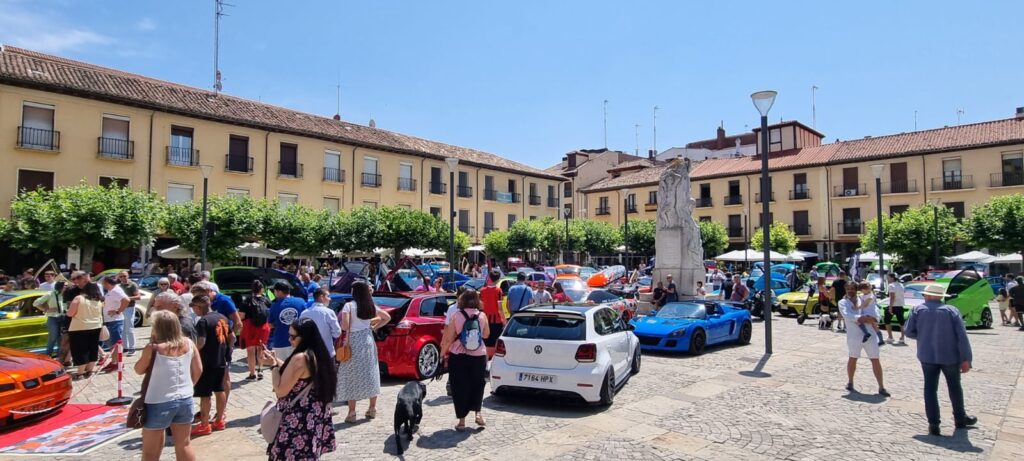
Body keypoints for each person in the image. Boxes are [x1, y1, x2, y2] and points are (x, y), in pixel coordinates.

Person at [904, 284, 977, 436]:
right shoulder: (951, 311)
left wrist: (923, 336)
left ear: (927, 295)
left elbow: (909, 332)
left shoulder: (918, 310)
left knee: (930, 389)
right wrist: (966, 359)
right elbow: (962, 337)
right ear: (941, 297)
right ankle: (960, 419)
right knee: (955, 387)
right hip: (950, 356)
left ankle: (934, 424)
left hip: (927, 355)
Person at [259, 318, 337, 460]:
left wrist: (273, 367)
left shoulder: (300, 358)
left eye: (293, 337)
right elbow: (296, 373)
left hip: (297, 419)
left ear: (305, 337)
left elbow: (280, 390)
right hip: (312, 415)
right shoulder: (317, 354)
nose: (289, 340)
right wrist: (275, 360)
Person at [136, 310, 202, 461]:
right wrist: (189, 386)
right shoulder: (189, 343)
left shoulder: (153, 348)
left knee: (150, 451)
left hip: (158, 401)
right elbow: (198, 369)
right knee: (184, 443)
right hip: (185, 398)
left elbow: (139, 369)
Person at [336, 281, 390, 423]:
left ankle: (352, 412)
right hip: (367, 339)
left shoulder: (349, 306)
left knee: (351, 374)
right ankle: (372, 408)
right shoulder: (370, 305)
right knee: (371, 371)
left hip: (353, 341)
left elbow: (345, 325)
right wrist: (373, 326)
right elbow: (387, 317)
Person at [440, 288, 490, 431]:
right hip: (479, 355)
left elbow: (449, 338)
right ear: (476, 300)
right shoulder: (482, 315)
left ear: (461, 299)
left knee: (460, 386)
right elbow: (486, 335)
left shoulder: (456, 315)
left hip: (459, 356)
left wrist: (442, 353)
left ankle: (462, 421)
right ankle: (478, 414)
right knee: (478, 384)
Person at [189, 295, 231, 437]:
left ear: (199, 307)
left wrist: (191, 352)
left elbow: (201, 342)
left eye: (193, 307)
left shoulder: (203, 321)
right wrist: (227, 353)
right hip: (221, 360)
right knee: (220, 390)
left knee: (205, 394)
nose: (193, 311)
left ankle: (204, 424)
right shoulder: (222, 317)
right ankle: (219, 420)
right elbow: (232, 337)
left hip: (207, 361)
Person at [839, 282, 889, 397]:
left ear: (856, 289)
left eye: (852, 289)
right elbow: (848, 315)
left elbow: (876, 313)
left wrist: (872, 318)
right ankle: (850, 381)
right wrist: (864, 318)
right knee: (853, 358)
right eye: (848, 289)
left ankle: (881, 386)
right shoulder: (843, 302)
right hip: (854, 336)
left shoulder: (865, 299)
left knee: (875, 359)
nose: (850, 291)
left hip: (870, 335)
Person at [67, 281, 104, 379]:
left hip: (79, 327)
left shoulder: (79, 298)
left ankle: (80, 373)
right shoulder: (99, 301)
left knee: (80, 350)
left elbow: (70, 313)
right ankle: (90, 370)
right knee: (93, 348)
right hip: (95, 326)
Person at [239, 280, 272, 380]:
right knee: (261, 349)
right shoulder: (266, 300)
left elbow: (242, 316)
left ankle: (252, 373)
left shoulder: (246, 300)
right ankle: (260, 370)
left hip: (250, 327)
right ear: (261, 289)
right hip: (263, 327)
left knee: (251, 351)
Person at [299, 288, 341, 361]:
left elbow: (300, 333)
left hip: (309, 353)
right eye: (328, 296)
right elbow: (337, 333)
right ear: (321, 297)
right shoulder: (329, 312)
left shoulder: (304, 313)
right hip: (326, 352)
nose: (330, 299)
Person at [268, 282, 306, 359]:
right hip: (299, 341)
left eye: (274, 291)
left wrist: (277, 324)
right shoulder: (301, 302)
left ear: (279, 292)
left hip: (281, 341)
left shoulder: (275, 306)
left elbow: (270, 324)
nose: (274, 293)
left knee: (281, 368)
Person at [33, 280, 66, 357]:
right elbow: (35, 303)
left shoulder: (66, 295)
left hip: (63, 317)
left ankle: (59, 357)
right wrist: (46, 309)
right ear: (60, 287)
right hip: (53, 317)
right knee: (53, 337)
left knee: (61, 339)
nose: (66, 288)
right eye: (65, 286)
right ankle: (48, 355)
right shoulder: (51, 294)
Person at [100, 275, 129, 364]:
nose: (102, 284)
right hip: (109, 320)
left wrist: (118, 311)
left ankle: (117, 363)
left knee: (116, 343)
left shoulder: (116, 291)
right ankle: (114, 361)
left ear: (107, 283)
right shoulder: (111, 290)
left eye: (103, 282)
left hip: (115, 321)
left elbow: (126, 300)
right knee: (112, 343)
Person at [117, 271, 142, 355]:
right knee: (122, 328)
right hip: (121, 308)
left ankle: (132, 347)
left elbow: (138, 297)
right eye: (121, 276)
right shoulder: (118, 286)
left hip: (129, 307)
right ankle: (125, 347)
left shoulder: (132, 284)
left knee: (129, 328)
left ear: (128, 276)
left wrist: (127, 298)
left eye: (124, 276)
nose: (123, 278)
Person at [479, 271, 505, 347]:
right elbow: (500, 308)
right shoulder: (498, 291)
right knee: (495, 343)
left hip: (485, 319)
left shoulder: (482, 290)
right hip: (496, 320)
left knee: (485, 342)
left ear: (489, 278)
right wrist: (504, 321)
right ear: (498, 279)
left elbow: (480, 306)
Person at [884, 273, 906, 344]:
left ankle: (890, 337)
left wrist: (890, 307)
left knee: (887, 320)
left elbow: (892, 297)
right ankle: (902, 338)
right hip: (900, 305)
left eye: (888, 278)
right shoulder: (901, 285)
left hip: (893, 305)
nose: (887, 279)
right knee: (901, 322)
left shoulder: (891, 285)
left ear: (892, 278)